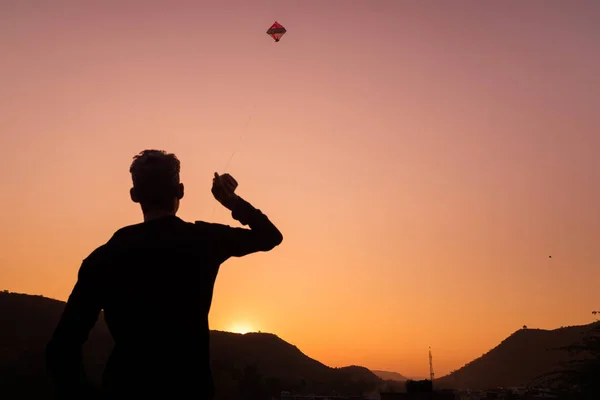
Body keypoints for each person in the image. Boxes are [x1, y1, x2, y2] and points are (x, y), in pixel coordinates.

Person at [45, 149, 283, 399]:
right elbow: (270, 236)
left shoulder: (104, 257)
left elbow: (61, 349)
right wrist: (232, 201)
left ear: (134, 195)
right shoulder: (203, 240)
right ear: (180, 191)